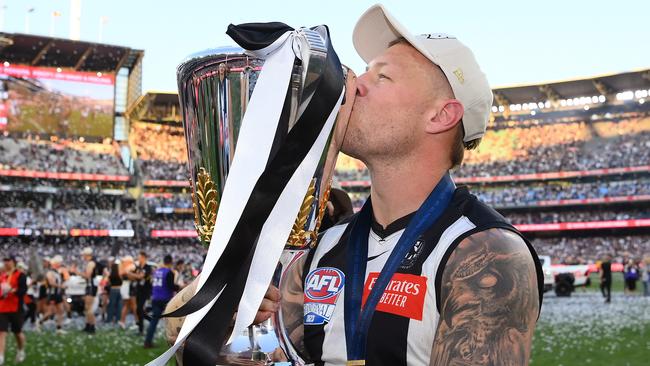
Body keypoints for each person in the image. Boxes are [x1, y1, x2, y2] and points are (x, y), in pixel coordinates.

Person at [166, 5, 543, 366]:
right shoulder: (326, 244)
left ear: (440, 115)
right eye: (363, 72)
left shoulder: (483, 251)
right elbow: (224, 354)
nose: (353, 85)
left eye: (382, 77)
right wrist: (219, 308)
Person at [145, 254, 176, 349]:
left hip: (155, 298)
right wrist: (181, 287)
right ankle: (173, 342)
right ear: (170, 263)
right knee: (172, 322)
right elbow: (171, 287)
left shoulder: (157, 271)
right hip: (165, 299)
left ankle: (147, 342)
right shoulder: (169, 272)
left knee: (154, 321)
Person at [0, 256, 27, 365]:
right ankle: (1, 356)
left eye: (8, 261)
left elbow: (22, 291)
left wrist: (11, 290)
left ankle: (21, 350)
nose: (6, 263)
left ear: (14, 262)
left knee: (17, 332)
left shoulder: (20, 275)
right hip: (2, 307)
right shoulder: (2, 275)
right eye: (5, 261)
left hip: (16, 307)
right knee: (1, 331)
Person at [79, 247, 100, 334]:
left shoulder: (91, 263)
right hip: (91, 286)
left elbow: (87, 276)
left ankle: (92, 327)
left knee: (89, 308)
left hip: (91, 286)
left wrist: (77, 272)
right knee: (87, 307)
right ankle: (88, 325)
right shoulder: (91, 262)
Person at [134, 251, 153, 336]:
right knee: (139, 310)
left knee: (139, 309)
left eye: (139, 257)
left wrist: (129, 273)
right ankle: (150, 321)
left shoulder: (147, 267)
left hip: (145, 291)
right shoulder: (138, 267)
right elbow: (136, 276)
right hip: (138, 290)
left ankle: (142, 329)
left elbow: (140, 276)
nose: (138, 258)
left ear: (143, 257)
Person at [119, 256, 138, 330]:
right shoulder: (130, 267)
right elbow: (131, 277)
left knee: (126, 305)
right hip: (128, 286)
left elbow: (122, 275)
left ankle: (122, 321)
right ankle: (137, 321)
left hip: (124, 286)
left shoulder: (122, 267)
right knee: (133, 305)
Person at [106, 258, 123, 326]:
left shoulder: (110, 274)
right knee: (119, 306)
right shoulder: (120, 273)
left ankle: (109, 319)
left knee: (111, 305)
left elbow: (108, 282)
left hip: (113, 289)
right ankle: (118, 319)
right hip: (120, 289)